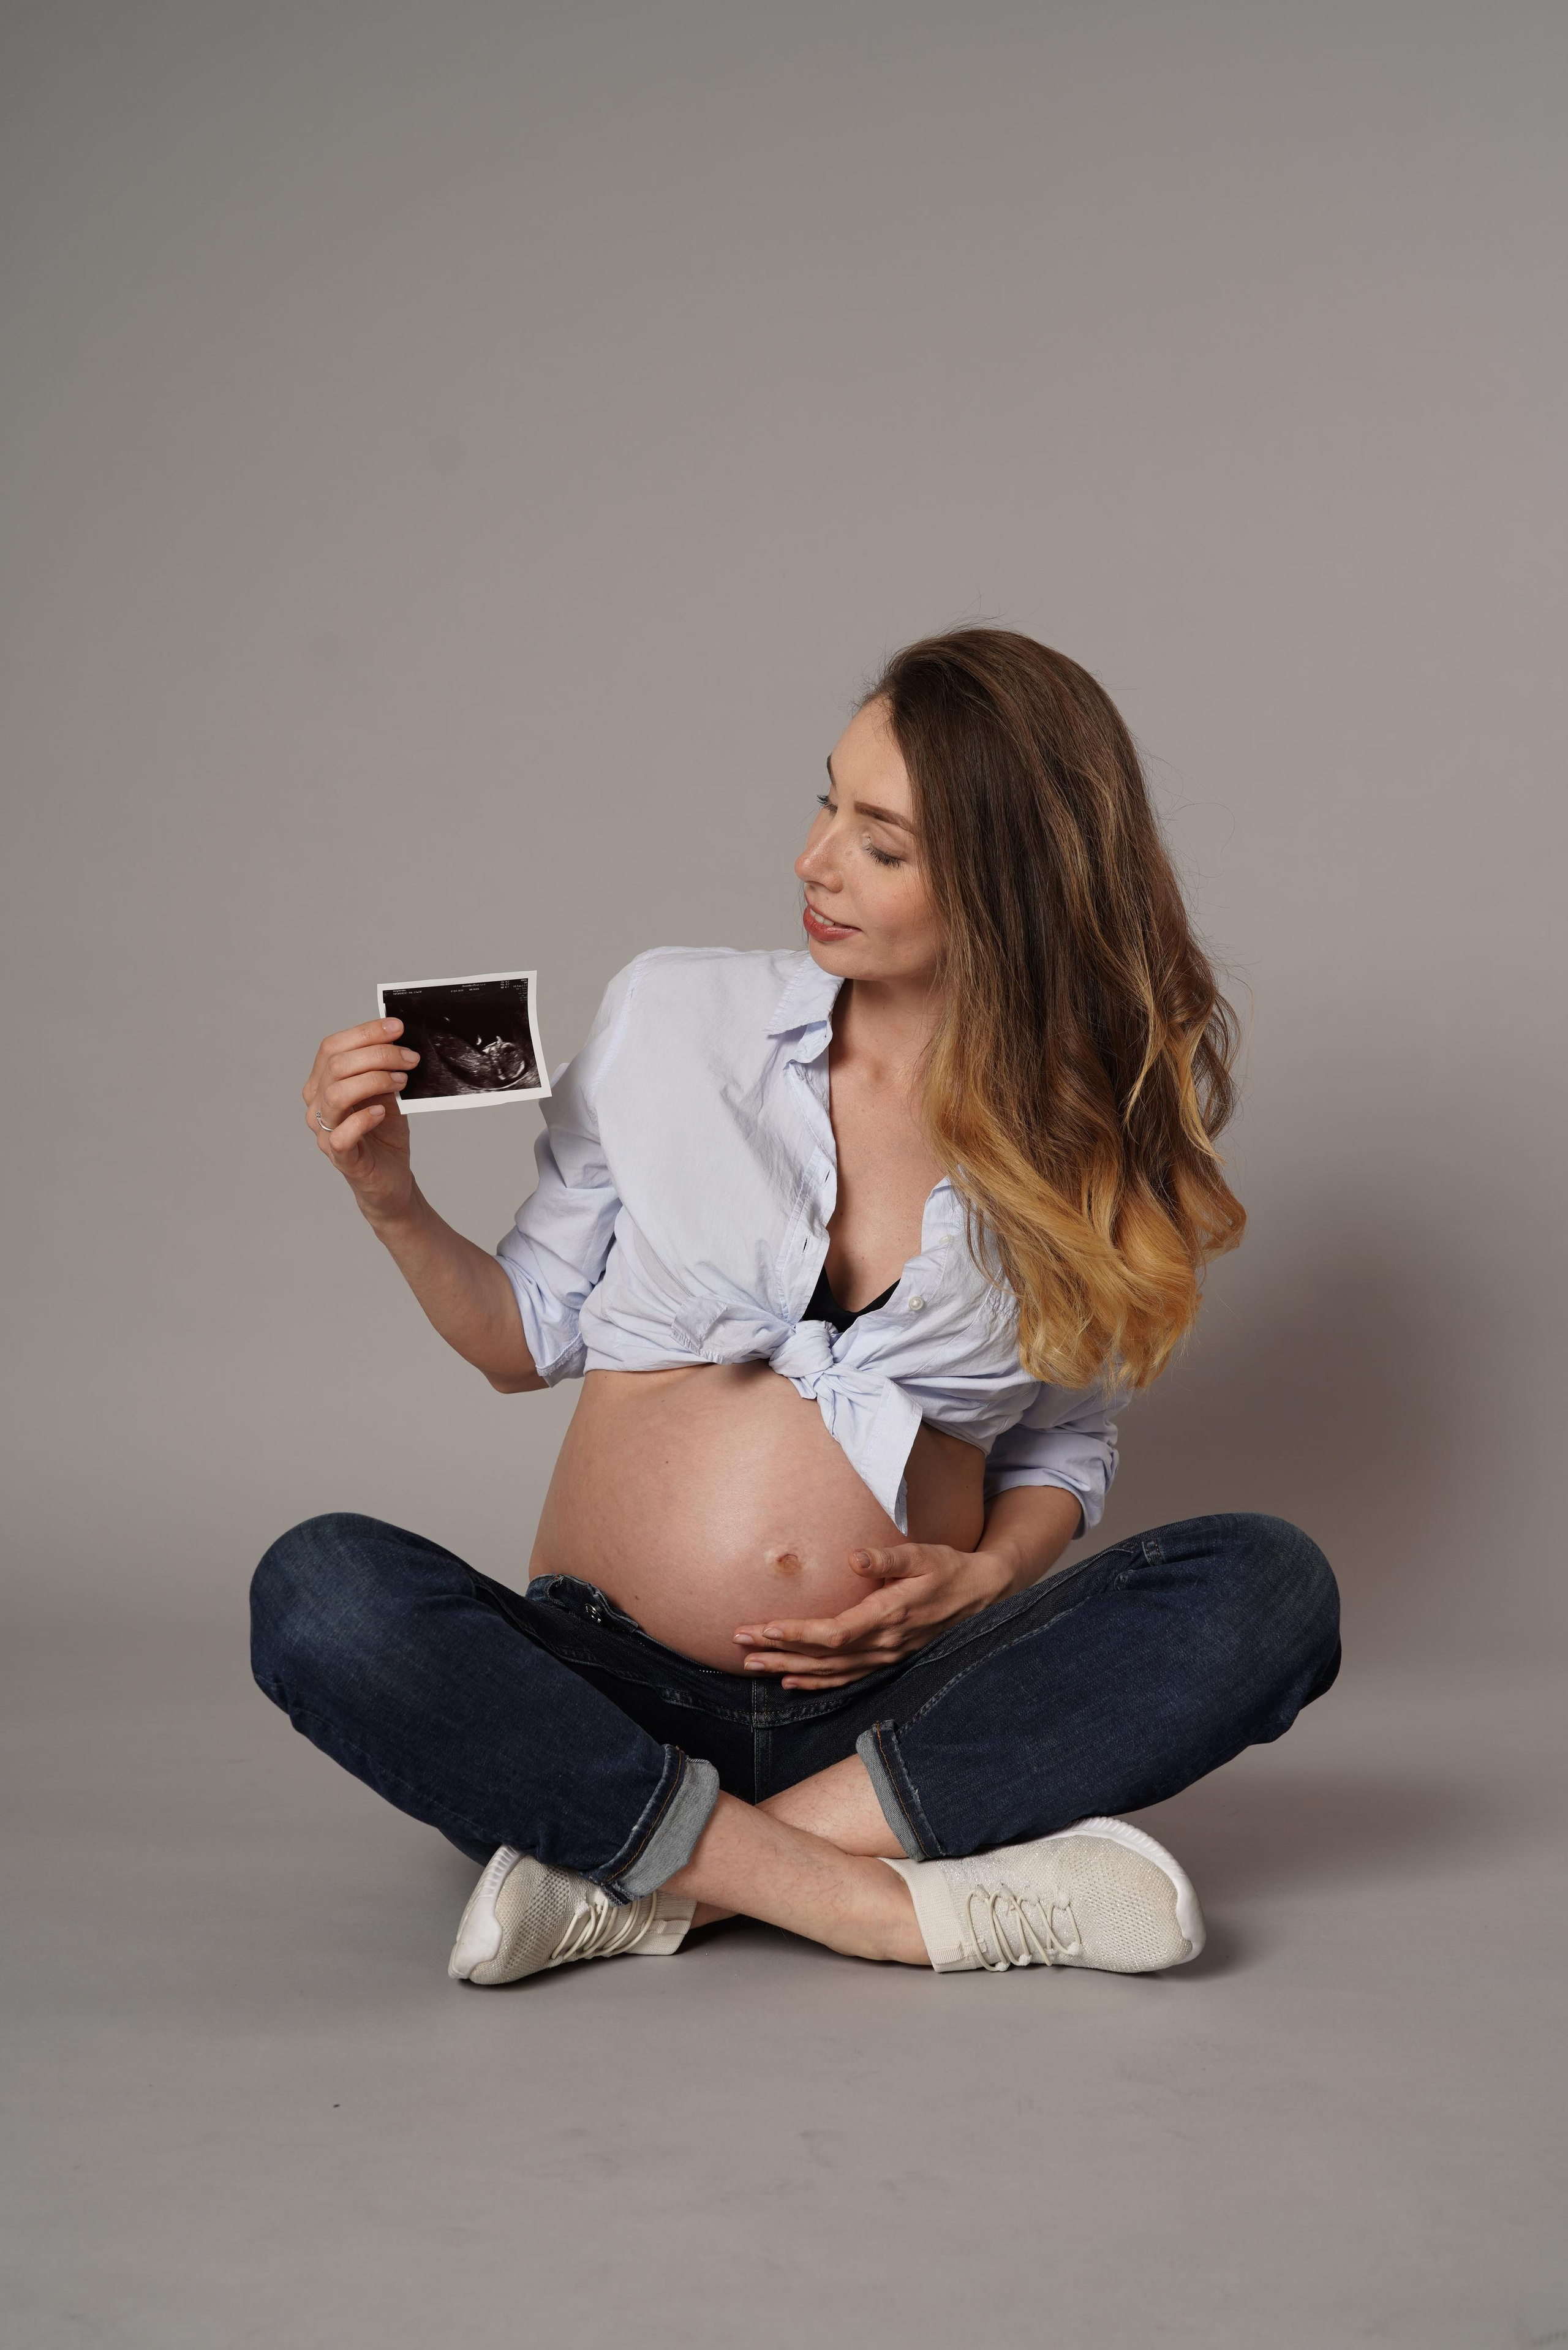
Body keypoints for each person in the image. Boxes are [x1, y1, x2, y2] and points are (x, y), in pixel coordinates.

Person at [251, 627, 1340, 1985]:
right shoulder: (673, 1017)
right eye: (827, 799)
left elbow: (1060, 1447)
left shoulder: (1087, 1140)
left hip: (895, 1711)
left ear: (1009, 887)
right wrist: (389, 1198)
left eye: (879, 842)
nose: (812, 859)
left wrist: (990, 1573)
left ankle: (650, 1873)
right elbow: (520, 1335)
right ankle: (883, 1907)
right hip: (604, 1684)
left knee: (1268, 1588)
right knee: (321, 1593)